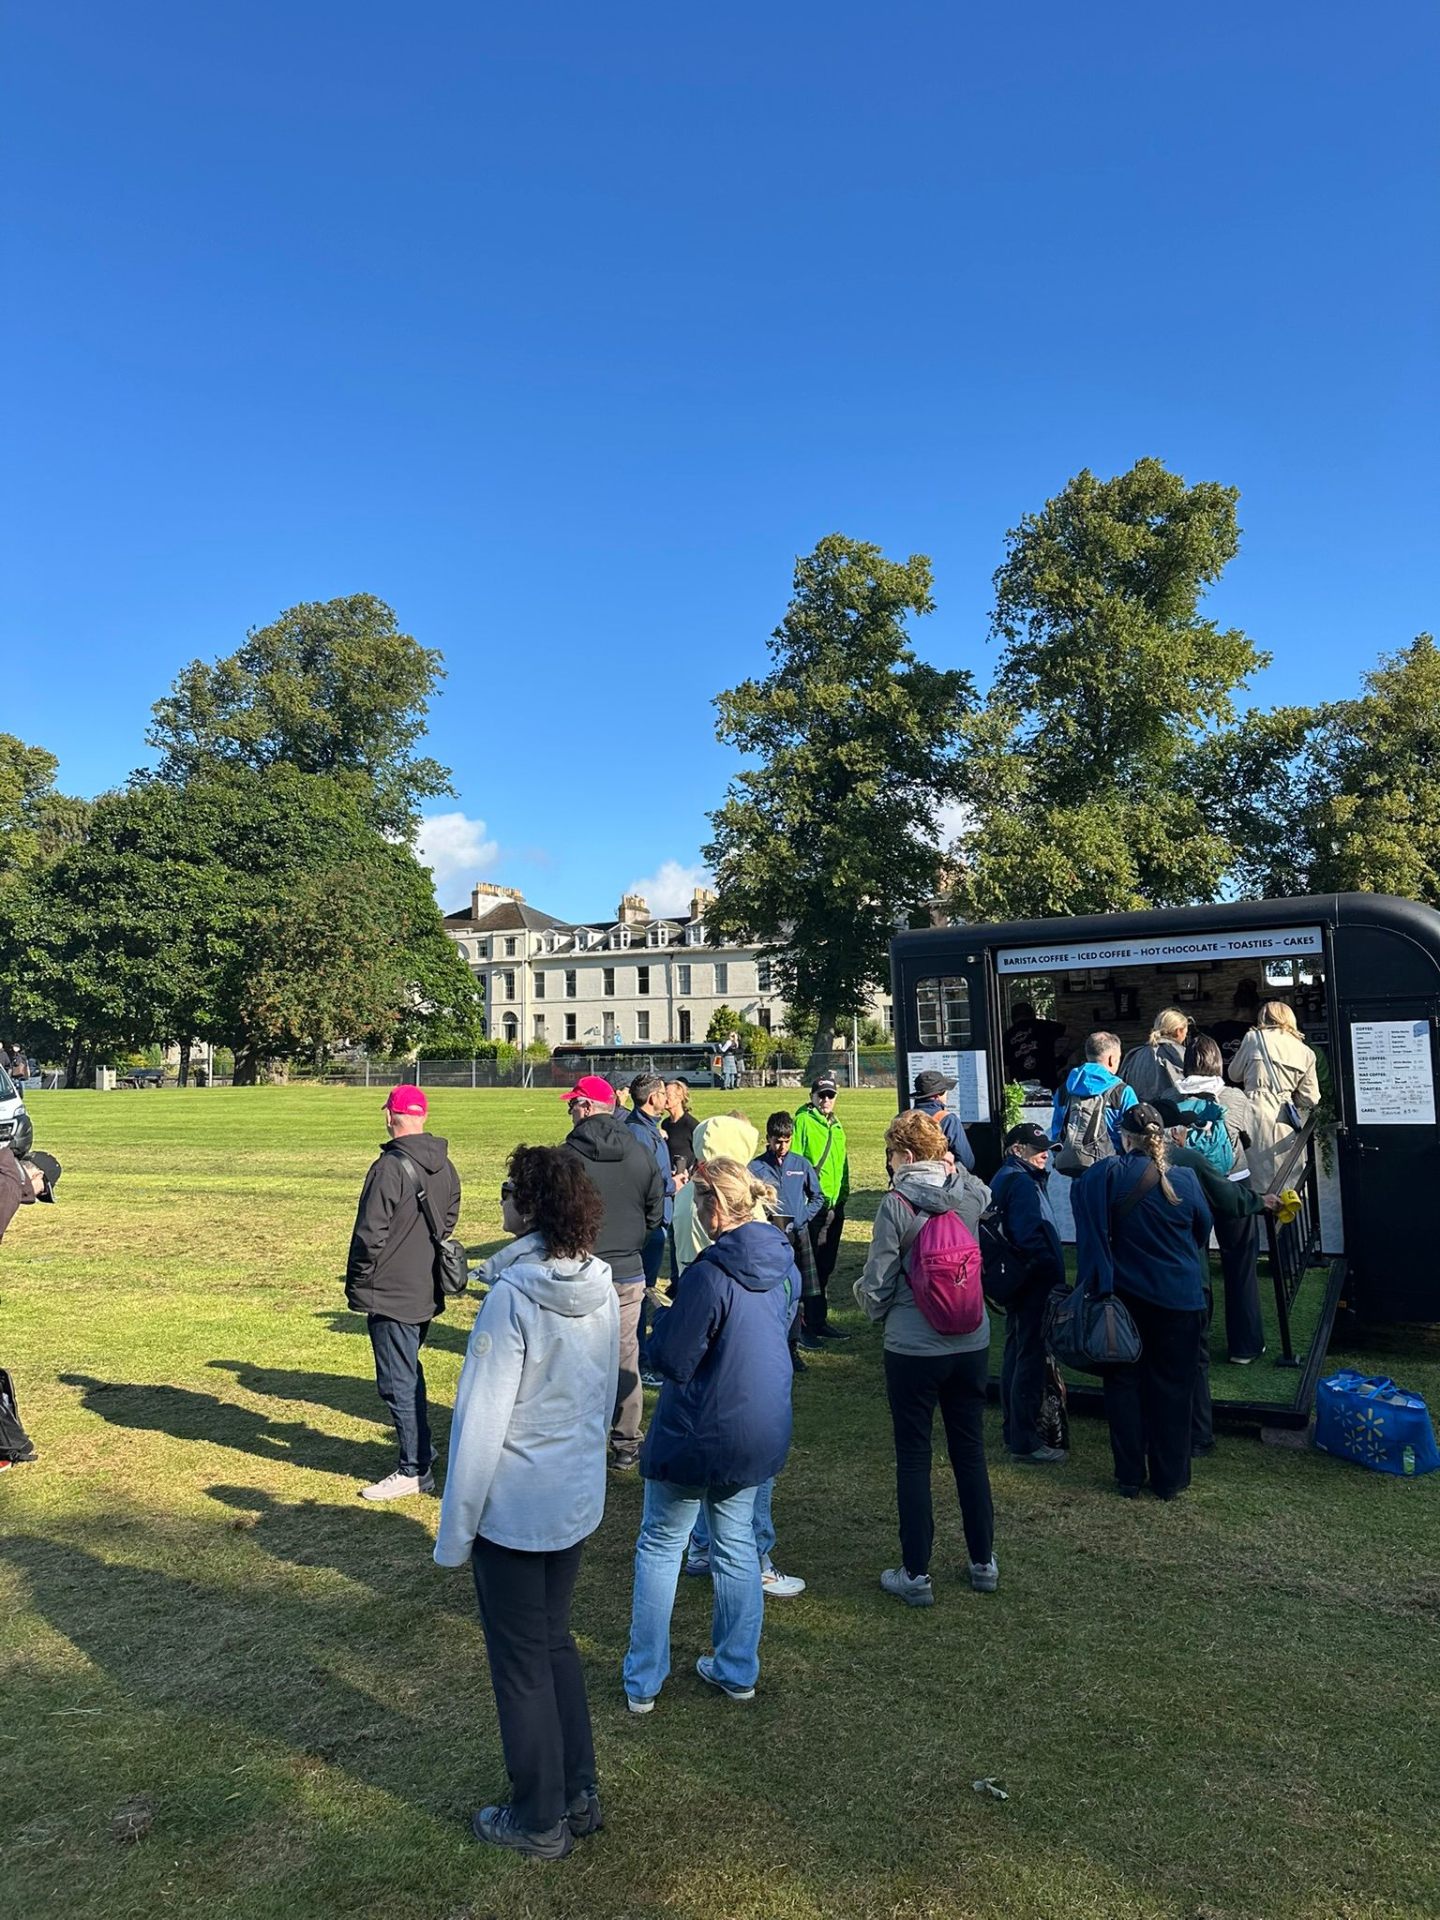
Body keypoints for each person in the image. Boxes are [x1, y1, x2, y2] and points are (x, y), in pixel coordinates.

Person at [434, 1145, 620, 1862]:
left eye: (508, 1189)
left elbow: (480, 1422)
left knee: (523, 1664)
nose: (500, 1198)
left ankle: (541, 1816)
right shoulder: (598, 1284)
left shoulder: (515, 1299)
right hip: (569, 1496)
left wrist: (456, 1531)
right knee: (553, 1644)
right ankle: (577, 1790)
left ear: (531, 1205)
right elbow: (606, 1391)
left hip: (516, 1508)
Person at [622, 1158, 797, 1710]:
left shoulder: (710, 1272)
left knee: (661, 1543)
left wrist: (665, 1319)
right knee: (735, 1543)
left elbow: (672, 1358)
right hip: (756, 1425)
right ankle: (736, 1667)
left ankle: (645, 1678)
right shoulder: (783, 1264)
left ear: (715, 1208)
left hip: (701, 1427)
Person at [854, 1110, 995, 1605]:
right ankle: (983, 1560)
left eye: (892, 1156)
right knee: (970, 1451)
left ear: (906, 1157)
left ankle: (916, 1571)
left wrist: (869, 1304)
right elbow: (985, 1191)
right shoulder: (969, 1193)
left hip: (914, 1344)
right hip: (971, 1338)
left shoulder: (896, 1204)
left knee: (914, 1458)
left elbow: (878, 1281)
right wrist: (955, 1167)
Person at [1072, 1104, 1213, 1500]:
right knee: (1173, 1390)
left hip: (1125, 1302)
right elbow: (1202, 1229)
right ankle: (1170, 1479)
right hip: (1179, 1299)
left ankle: (1129, 1475)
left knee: (1124, 1386)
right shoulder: (1184, 1179)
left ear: (1123, 1137)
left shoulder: (1106, 1176)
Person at [344, 1086, 460, 1501]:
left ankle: (414, 1469)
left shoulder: (389, 1167)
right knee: (408, 1369)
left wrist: (359, 1277)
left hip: (390, 1289)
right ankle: (421, 1449)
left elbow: (368, 1234)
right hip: (423, 1285)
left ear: (389, 1115)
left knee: (397, 1380)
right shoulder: (444, 1163)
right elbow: (448, 1219)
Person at [559, 1075, 664, 1471]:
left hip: (580, 1269)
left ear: (587, 1107)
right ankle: (626, 1442)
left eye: (573, 1104)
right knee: (625, 1356)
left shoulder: (567, 1157)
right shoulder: (639, 1150)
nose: (569, 1110)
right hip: (627, 1271)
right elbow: (655, 1212)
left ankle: (578, 1437)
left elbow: (552, 1214)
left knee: (575, 1357)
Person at [1164, 1033, 1267, 1364]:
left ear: (1185, 1065)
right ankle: (1245, 1346)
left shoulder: (1167, 1098)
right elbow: (1247, 1137)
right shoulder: (1234, 1097)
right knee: (1240, 1263)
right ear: (1218, 1063)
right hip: (1232, 1182)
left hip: (1184, 1188)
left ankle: (1193, 1342)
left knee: (1191, 1264)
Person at [989, 1122, 1067, 1464]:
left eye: (1046, 1149)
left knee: (1017, 1352)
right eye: (1037, 1150)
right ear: (1016, 1150)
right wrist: (1047, 1264)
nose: (1044, 1155)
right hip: (1032, 1283)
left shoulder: (1009, 1176)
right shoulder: (1020, 1183)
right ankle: (1025, 1440)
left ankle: (1015, 1430)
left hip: (1019, 1282)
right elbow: (1026, 1235)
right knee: (1029, 1358)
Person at [749, 1111, 824, 1371]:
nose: (782, 1147)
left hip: (797, 1236)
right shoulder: (755, 1168)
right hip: (768, 1239)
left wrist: (803, 1217)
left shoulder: (801, 1165)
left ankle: (792, 1346)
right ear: (768, 1139)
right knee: (772, 1292)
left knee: (795, 1293)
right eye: (777, 1141)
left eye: (787, 1141)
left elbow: (818, 1197)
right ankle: (770, 1344)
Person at [1231, 1001, 1321, 1194]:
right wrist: (1289, 1097)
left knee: (1254, 1181)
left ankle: (1261, 1220)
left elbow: (1233, 1073)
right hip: (1284, 1118)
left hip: (1253, 1115)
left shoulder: (1253, 1038)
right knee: (1285, 1181)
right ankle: (1288, 1219)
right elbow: (1311, 1098)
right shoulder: (1305, 1051)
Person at [625, 1072, 675, 1388]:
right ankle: (640, 1362)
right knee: (640, 1296)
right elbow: (647, 1180)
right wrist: (673, 1183)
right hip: (647, 1226)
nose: (667, 1098)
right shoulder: (638, 1133)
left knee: (647, 1292)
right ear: (652, 1098)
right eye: (663, 1094)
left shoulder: (649, 1129)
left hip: (657, 1223)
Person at [791, 1075, 850, 1342]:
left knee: (825, 1266)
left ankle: (818, 1319)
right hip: (813, 1206)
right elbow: (794, 1160)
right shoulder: (803, 1121)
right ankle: (803, 1325)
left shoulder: (836, 1126)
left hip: (834, 1206)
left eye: (830, 1095)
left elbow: (843, 1165)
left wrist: (843, 1196)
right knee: (808, 1267)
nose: (826, 1100)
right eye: (821, 1095)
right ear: (812, 1096)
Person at [1050, 1031, 1139, 1175]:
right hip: (1113, 1169)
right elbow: (1135, 1136)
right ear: (1111, 1059)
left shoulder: (1064, 1090)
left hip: (1077, 1167)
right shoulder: (1122, 1091)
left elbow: (1057, 1133)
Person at [1120, 1010, 1190, 1105]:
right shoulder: (1179, 1053)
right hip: (1172, 1113)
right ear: (1179, 1031)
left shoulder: (1134, 1055)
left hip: (1140, 1114)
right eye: (1186, 1033)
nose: (1185, 1037)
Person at [911, 1070, 975, 1172]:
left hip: (906, 1180)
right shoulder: (948, 1119)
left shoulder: (902, 1119)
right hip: (938, 1180)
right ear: (938, 1096)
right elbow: (967, 1162)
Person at [1003, 1001, 1069, 1091]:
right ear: (1032, 1014)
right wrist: (1063, 1057)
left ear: (1012, 1017)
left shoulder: (1007, 1036)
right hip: (1047, 1080)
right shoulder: (1045, 1026)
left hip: (1020, 1086)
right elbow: (1077, 1035)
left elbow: (1006, 1068)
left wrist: (1009, 1089)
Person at [661, 1078, 698, 1178]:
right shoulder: (665, 1124)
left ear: (680, 1097)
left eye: (667, 1095)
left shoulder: (691, 1125)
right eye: (663, 1094)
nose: (664, 1099)